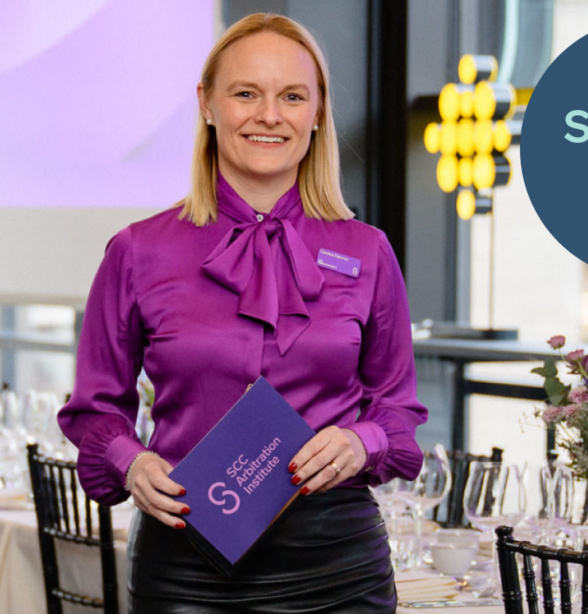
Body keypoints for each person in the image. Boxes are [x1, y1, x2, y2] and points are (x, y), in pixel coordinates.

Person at [58, 13, 427, 612]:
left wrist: (363, 441)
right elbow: (95, 407)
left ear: (317, 112)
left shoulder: (368, 250)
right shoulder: (137, 251)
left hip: (336, 562)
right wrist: (131, 462)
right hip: (186, 559)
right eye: (246, 94)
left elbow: (397, 408)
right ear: (207, 104)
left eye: (292, 97)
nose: (269, 115)